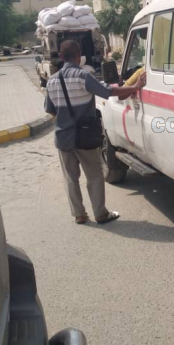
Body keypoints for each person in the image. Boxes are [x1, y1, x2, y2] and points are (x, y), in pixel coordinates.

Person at [45, 40, 147, 225]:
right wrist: (135, 87)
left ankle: (79, 215)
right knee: (94, 176)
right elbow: (109, 91)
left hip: (63, 137)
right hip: (85, 137)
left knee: (70, 178)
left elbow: (50, 110)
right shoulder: (82, 76)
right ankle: (100, 214)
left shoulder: (52, 81)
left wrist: (65, 121)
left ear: (61, 57)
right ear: (79, 56)